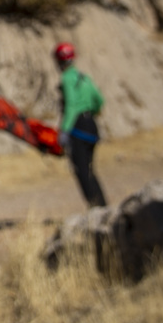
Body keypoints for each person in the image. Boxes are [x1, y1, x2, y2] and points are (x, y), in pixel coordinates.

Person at [54, 42, 108, 207]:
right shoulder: (84, 77)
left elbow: (70, 105)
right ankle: (103, 206)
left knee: (82, 170)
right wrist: (92, 112)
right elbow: (99, 99)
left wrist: (64, 131)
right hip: (91, 125)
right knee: (90, 169)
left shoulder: (66, 79)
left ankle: (95, 208)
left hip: (78, 127)